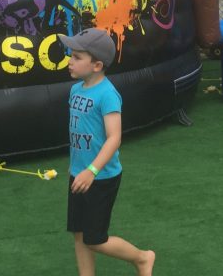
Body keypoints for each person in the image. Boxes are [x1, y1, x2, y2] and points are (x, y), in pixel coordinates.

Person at [60, 28, 155, 275]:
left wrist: (91, 170)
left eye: (77, 57)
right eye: (71, 55)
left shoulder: (108, 94)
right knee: (79, 233)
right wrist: (78, 168)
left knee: (95, 239)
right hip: (79, 175)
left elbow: (114, 138)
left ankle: (142, 258)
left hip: (101, 178)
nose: (70, 61)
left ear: (97, 65)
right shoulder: (75, 90)